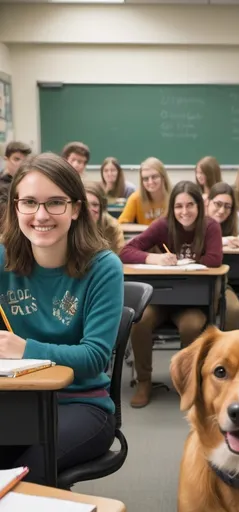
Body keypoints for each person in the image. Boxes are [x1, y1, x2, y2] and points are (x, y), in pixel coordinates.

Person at [0, 153, 123, 484]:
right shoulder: (2, 258)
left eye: (55, 202)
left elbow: (95, 357)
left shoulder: (103, 267)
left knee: (26, 475)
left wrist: (24, 348)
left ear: (76, 208)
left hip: (82, 405)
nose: (41, 215)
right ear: (15, 207)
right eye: (29, 202)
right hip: (15, 400)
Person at [120, 181, 223, 408]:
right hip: (160, 300)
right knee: (140, 321)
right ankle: (144, 381)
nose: (184, 212)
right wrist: (153, 258)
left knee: (191, 326)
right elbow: (125, 251)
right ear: (172, 208)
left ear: (199, 206)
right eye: (178, 206)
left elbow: (215, 259)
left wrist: (185, 261)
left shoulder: (210, 226)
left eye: (190, 205)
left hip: (192, 301)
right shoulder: (163, 225)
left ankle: (188, 382)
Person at [206, 182, 239, 331]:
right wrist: (226, 240)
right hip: (197, 279)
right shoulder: (197, 214)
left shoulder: (234, 217)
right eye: (218, 204)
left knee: (233, 309)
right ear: (208, 201)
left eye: (227, 206)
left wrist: (237, 240)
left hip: (222, 282)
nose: (222, 210)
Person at [118, 157, 171, 225]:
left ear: (163, 177)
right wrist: (149, 229)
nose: (150, 182)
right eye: (145, 179)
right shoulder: (135, 198)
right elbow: (121, 225)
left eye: (154, 177)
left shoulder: (174, 196)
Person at [84, 181, 125, 254]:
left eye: (95, 205)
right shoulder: (69, 226)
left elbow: (118, 256)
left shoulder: (112, 227)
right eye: (85, 205)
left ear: (102, 207)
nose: (89, 210)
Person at [0, 141, 32, 223]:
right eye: (16, 159)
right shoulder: (2, 185)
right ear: (6, 159)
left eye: (25, 160)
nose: (21, 164)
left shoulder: (32, 183)